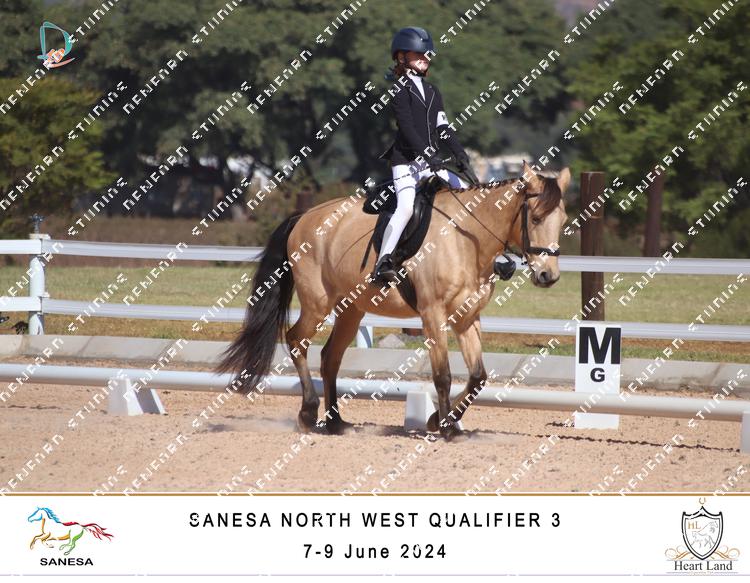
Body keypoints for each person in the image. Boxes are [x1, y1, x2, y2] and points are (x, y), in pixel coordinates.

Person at [372, 26, 480, 284]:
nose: (424, 58)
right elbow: (407, 129)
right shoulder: (399, 90)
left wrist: (460, 154)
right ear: (401, 57)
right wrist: (428, 155)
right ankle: (383, 262)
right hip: (406, 163)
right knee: (406, 207)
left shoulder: (433, 92)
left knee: (469, 195)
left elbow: (443, 127)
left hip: (431, 163)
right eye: (418, 54)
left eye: (426, 54)